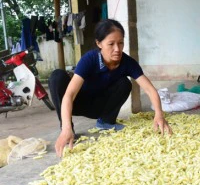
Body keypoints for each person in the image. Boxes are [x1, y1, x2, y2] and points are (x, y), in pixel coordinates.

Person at [49, 19, 172, 157]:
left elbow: (149, 89)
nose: (117, 49)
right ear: (99, 43)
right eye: (111, 44)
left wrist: (159, 115)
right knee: (57, 76)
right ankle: (67, 130)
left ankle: (106, 121)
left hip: (99, 106)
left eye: (120, 43)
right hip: (78, 103)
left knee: (125, 83)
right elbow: (70, 94)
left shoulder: (128, 62)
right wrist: (66, 127)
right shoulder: (89, 59)